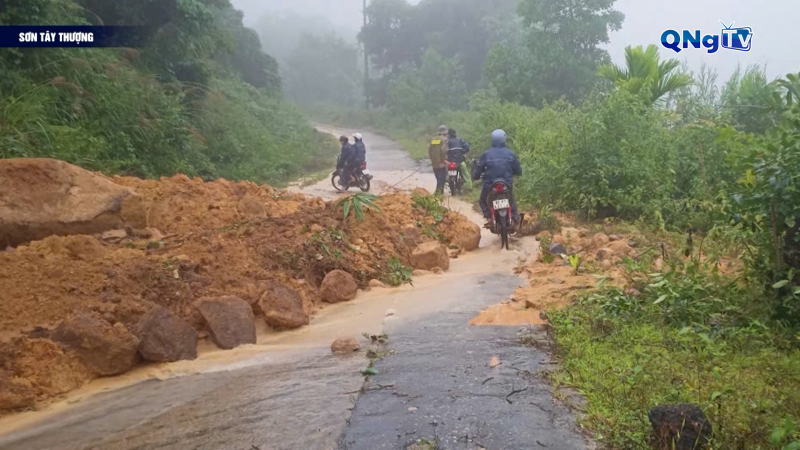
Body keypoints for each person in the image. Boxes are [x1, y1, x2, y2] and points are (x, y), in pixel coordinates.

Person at [472, 129, 522, 226]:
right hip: (506, 184)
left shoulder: (486, 154)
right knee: (511, 198)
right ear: (504, 139)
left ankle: (489, 217)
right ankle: (515, 215)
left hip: (490, 185)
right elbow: (518, 170)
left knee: (482, 201)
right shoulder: (511, 154)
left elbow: (478, 171)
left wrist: (476, 176)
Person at [428, 125, 449, 194]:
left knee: (438, 178)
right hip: (441, 163)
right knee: (442, 179)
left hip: (434, 163)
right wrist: (444, 160)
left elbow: (430, 151)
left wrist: (432, 159)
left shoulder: (433, 140)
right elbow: (443, 151)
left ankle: (440, 192)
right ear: (445, 133)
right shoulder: (445, 140)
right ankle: (438, 194)